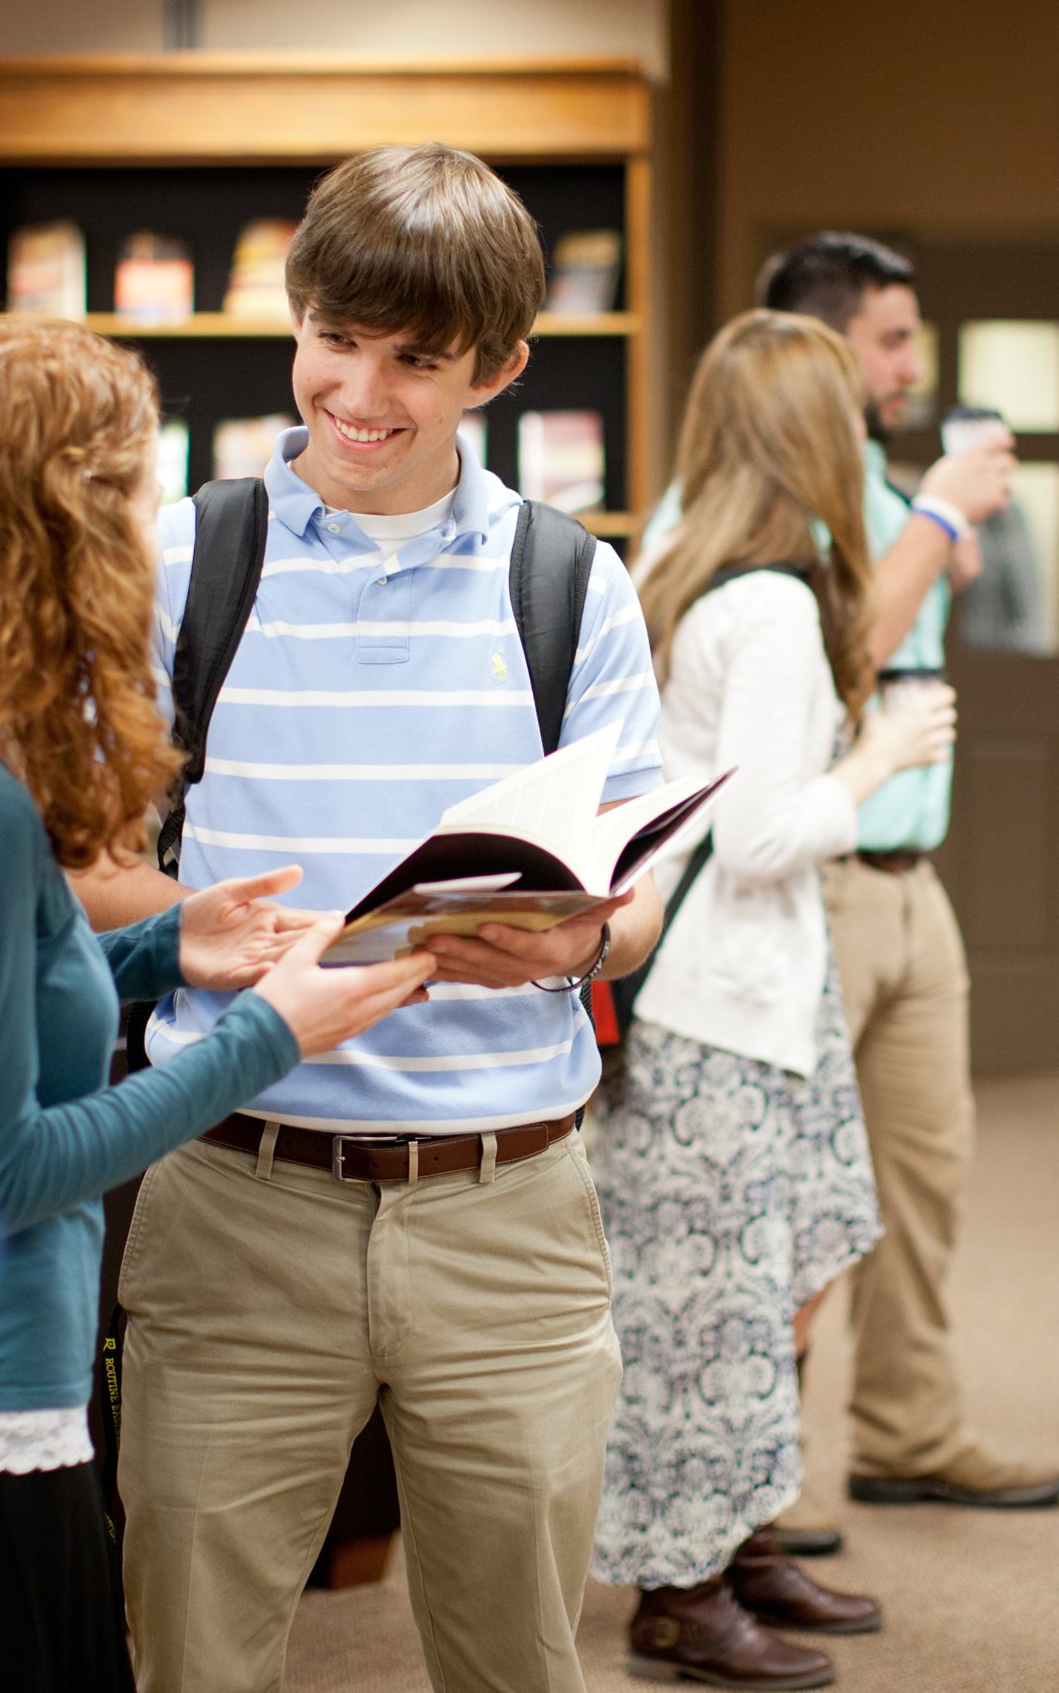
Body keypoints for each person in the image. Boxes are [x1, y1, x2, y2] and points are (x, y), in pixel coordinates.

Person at [0, 316, 434, 1693]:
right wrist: (269, 1035)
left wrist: (163, 951)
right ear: (57, 522)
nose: (155, 520)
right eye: (132, 488)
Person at [67, 144, 669, 1693]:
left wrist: (582, 941)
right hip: (235, 1196)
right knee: (193, 1651)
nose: (362, 390)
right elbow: (77, 862)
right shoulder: (184, 559)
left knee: (517, 1660)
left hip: (511, 1211)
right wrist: (260, 929)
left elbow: (640, 900)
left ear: (501, 367)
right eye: (337, 337)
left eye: (417, 359)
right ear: (297, 316)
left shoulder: (570, 583)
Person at [650, 232, 1059, 1546]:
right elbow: (844, 659)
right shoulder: (741, 505)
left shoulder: (882, 489)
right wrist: (934, 520)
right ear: (823, 351)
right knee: (778, 1209)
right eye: (889, 339)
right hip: (805, 882)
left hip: (909, 875)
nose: (911, 364)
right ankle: (759, 1496)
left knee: (913, 1176)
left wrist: (932, 528)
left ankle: (908, 1430)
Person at [598, 309, 950, 1690]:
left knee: (755, 1277)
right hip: (722, 1002)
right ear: (819, 437)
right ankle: (682, 1594)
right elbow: (752, 836)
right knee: (714, 1303)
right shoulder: (778, 604)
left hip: (729, 995)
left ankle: (736, 1542)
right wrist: (882, 758)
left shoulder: (684, 571)